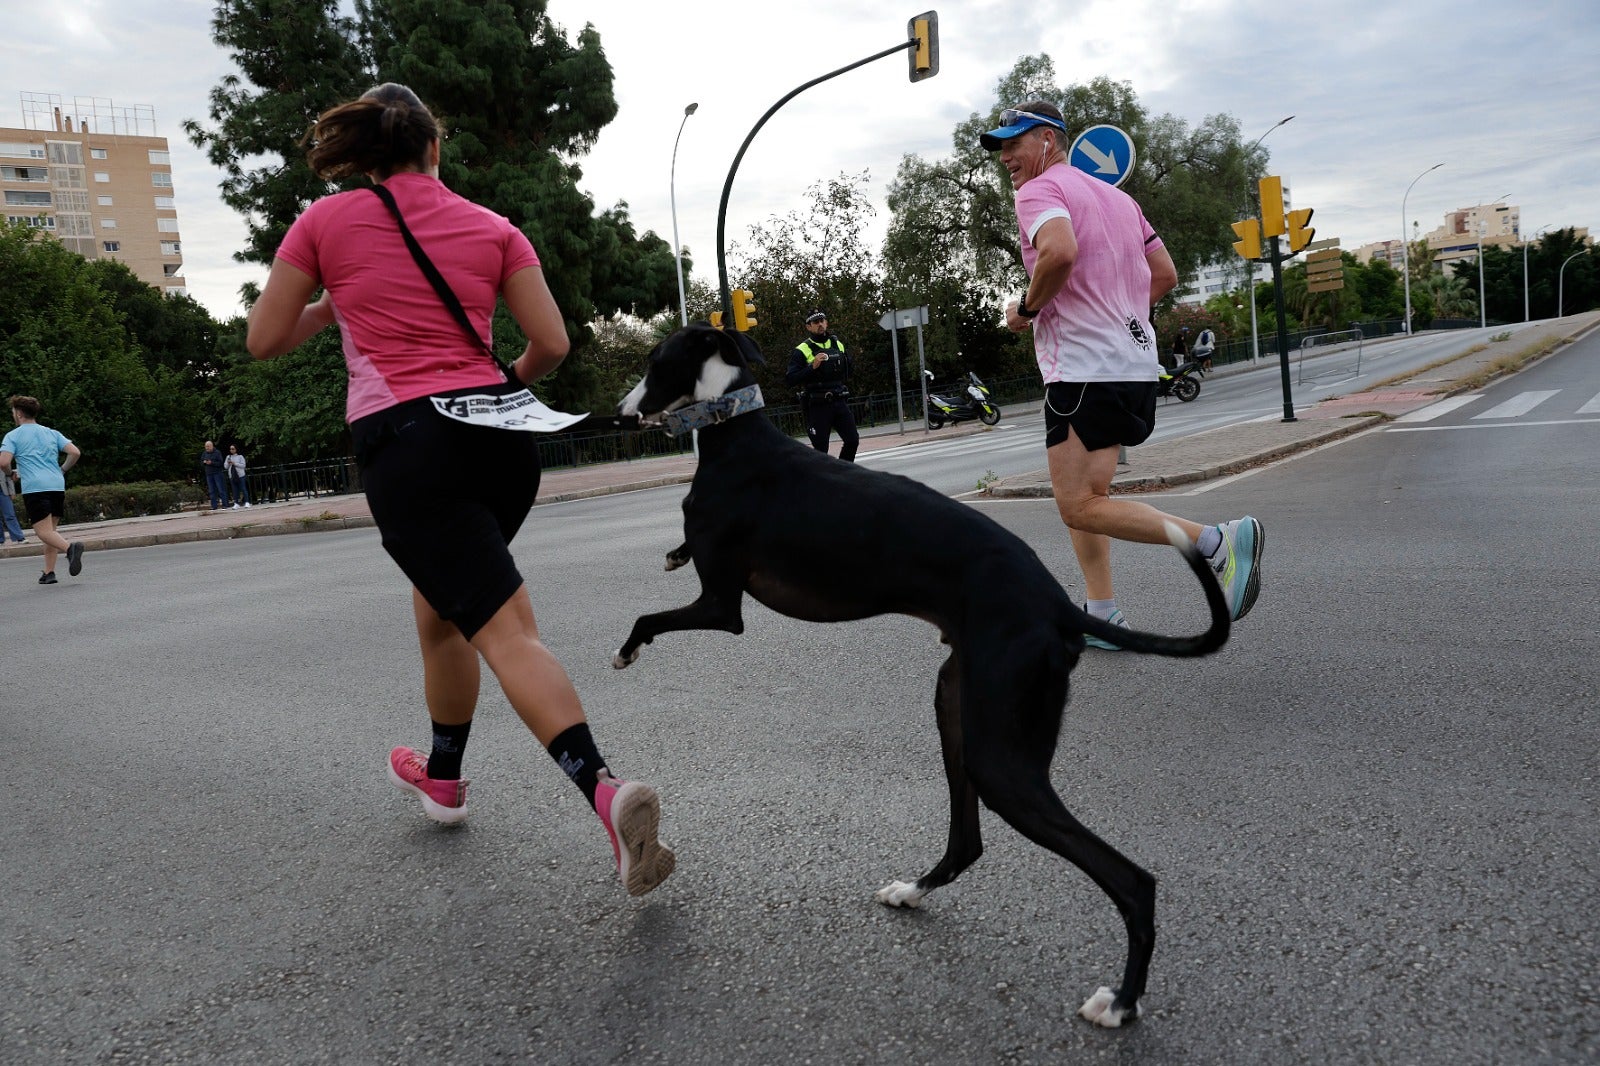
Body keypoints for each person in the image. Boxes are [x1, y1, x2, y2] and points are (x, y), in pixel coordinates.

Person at [246, 83, 673, 896]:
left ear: (366, 155)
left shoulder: (324, 223)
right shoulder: (494, 228)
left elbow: (264, 339)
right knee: (444, 612)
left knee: (504, 629)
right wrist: (494, 386)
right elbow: (551, 342)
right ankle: (443, 778)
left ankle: (605, 790)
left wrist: (335, 301)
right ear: (434, 150)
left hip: (407, 445)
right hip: (502, 439)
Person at [982, 101, 1264, 647]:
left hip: (1083, 371)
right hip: (1134, 365)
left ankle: (1215, 542)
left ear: (1046, 139)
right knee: (1089, 497)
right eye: (1000, 149)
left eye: (1013, 144)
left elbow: (1058, 253)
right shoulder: (1119, 198)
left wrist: (1030, 309)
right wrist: (1121, 314)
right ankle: (1103, 612)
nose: (1006, 159)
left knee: (1078, 504)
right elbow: (1165, 273)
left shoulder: (1038, 192)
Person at [1, 395, 84, 583]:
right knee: (51, 530)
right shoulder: (51, 433)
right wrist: (62, 469)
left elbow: (4, 462)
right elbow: (74, 452)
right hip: (56, 485)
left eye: (13, 412)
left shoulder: (13, 435)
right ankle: (49, 572)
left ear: (19, 413)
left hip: (35, 488)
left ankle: (71, 548)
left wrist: (9, 473)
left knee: (43, 531)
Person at [786, 310, 859, 461]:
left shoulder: (837, 344)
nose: (820, 324)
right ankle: (822, 481)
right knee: (821, 451)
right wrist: (812, 367)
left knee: (852, 440)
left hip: (839, 400)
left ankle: (843, 473)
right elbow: (791, 379)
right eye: (815, 322)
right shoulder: (802, 350)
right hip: (818, 405)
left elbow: (848, 371)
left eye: (822, 320)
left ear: (826, 323)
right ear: (809, 327)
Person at [0, 464, 26, 544]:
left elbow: (9, 477)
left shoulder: (3, 459)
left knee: (10, 514)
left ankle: (19, 537)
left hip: (3, 491)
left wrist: (12, 492)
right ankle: (0, 540)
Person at [201, 440, 229, 510]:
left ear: (212, 446)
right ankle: (214, 506)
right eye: (205, 446)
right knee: (211, 490)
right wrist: (204, 462)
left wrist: (212, 463)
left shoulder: (217, 452)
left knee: (221, 489)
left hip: (217, 473)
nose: (206, 448)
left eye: (208, 446)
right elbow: (201, 462)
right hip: (209, 474)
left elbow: (220, 463)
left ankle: (225, 504)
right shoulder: (204, 453)